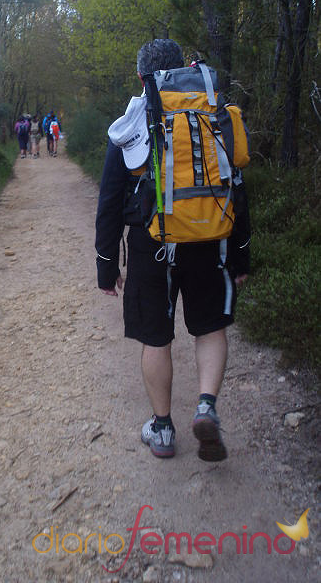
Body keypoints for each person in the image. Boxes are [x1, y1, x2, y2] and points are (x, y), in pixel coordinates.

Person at [95, 38, 251, 462]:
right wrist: (241, 255)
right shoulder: (212, 112)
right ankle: (205, 406)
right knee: (209, 328)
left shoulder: (132, 121)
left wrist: (106, 268)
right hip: (209, 236)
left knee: (156, 338)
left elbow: (110, 200)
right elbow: (235, 186)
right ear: (183, 68)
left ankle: (162, 428)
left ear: (141, 75)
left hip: (152, 245)